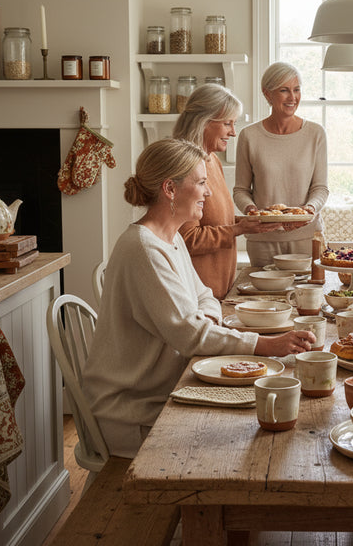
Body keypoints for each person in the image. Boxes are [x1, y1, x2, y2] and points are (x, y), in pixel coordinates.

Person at [83, 138, 315, 458]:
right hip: (131, 410)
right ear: (170, 189)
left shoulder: (171, 238)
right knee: (244, 441)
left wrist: (203, 321)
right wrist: (267, 345)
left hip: (162, 389)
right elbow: (191, 336)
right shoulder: (143, 248)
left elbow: (204, 296)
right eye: (202, 183)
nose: (208, 192)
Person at [173, 84, 282, 298]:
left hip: (220, 289)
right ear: (203, 122)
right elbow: (189, 238)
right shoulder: (185, 165)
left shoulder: (212, 160)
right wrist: (238, 230)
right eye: (227, 124)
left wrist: (244, 223)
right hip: (198, 293)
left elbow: (214, 220)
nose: (233, 132)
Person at [233, 62, 329, 267]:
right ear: (267, 94)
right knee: (264, 299)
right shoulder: (249, 136)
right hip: (262, 240)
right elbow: (241, 190)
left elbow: (320, 188)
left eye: (296, 90)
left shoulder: (315, 133)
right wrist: (251, 211)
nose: (292, 98)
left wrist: (309, 210)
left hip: (306, 239)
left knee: (307, 297)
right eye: (284, 90)